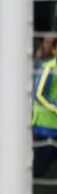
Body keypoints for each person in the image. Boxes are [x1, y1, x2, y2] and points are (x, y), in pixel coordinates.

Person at [32, 41, 57, 179]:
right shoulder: (49, 68)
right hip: (46, 128)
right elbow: (39, 94)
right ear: (54, 50)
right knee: (40, 169)